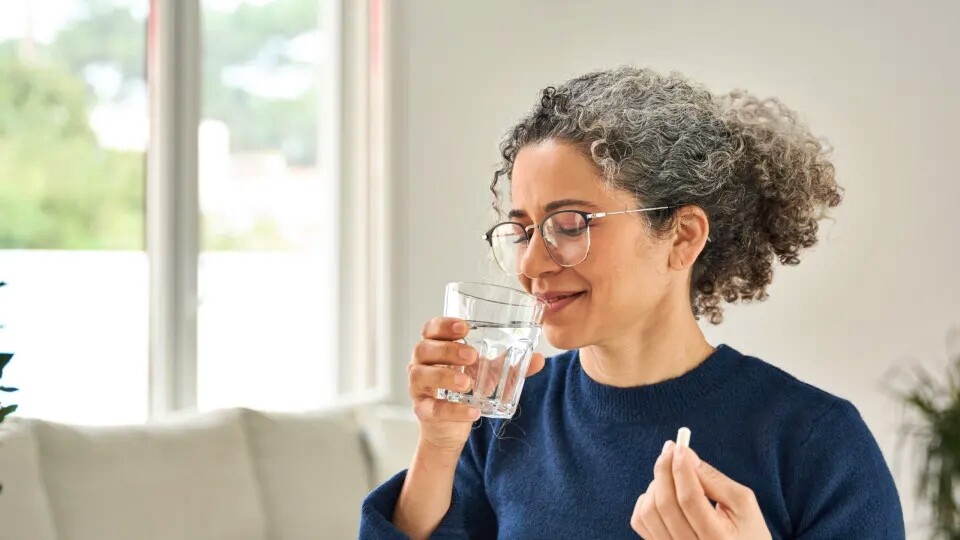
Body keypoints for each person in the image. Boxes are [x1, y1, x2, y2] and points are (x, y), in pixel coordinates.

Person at [359, 66, 905, 539]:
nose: (530, 265)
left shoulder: (817, 443)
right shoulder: (508, 416)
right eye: (523, 231)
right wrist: (438, 441)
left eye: (570, 225)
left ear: (684, 236)